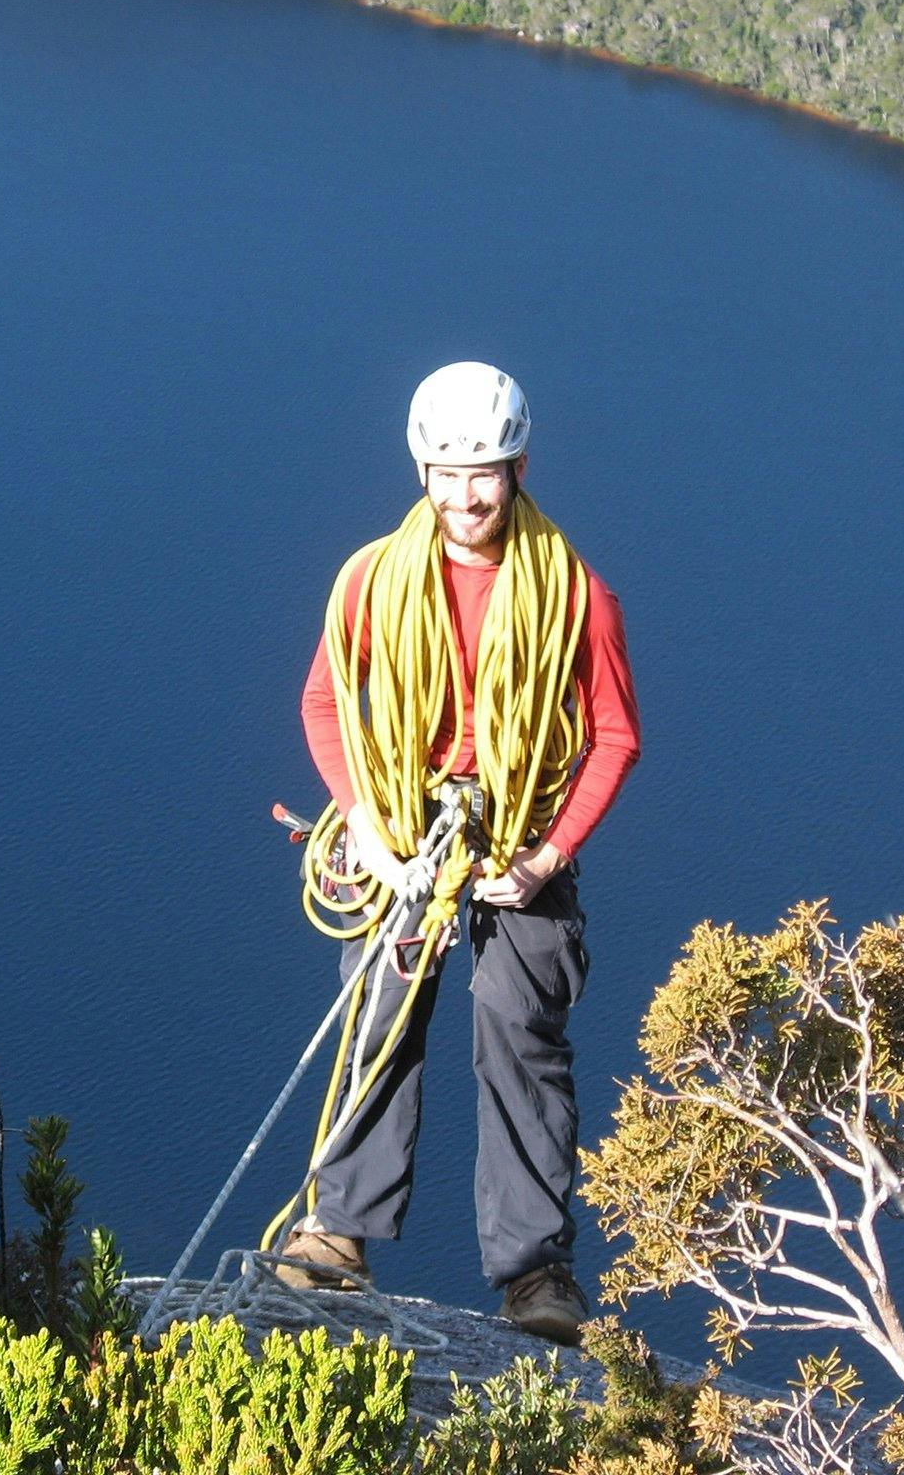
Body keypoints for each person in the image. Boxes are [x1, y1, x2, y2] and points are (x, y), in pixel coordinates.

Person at [281, 361, 641, 1345]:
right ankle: (338, 1232)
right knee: (378, 1014)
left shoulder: (575, 595)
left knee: (519, 1030)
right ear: (421, 471)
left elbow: (613, 736)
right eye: (446, 472)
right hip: (402, 828)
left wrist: (544, 859)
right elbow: (324, 701)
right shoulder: (373, 580)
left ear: (518, 467)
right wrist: (364, 822)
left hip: (521, 837)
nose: (464, 494)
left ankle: (534, 1273)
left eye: (482, 472)